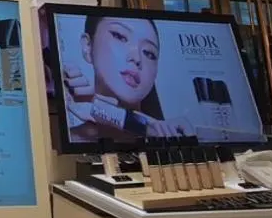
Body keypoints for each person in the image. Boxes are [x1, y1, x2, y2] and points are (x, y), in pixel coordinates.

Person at [61, 15, 194, 141]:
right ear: (88, 46)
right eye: (120, 36)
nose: (137, 58)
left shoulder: (175, 133)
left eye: (149, 53)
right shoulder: (72, 139)